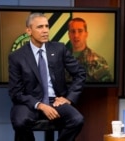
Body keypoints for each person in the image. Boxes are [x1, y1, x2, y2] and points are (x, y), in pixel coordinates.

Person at [8, 13, 86, 141]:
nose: (45, 30)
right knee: (20, 122)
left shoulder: (59, 49)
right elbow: (15, 92)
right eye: (39, 27)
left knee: (77, 120)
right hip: (29, 102)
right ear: (29, 31)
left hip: (55, 100)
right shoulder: (17, 57)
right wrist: (40, 105)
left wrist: (69, 98)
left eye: (47, 26)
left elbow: (80, 73)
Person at [67, 17, 113, 82]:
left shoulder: (97, 62)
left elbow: (105, 88)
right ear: (69, 35)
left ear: (86, 34)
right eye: (73, 31)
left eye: (80, 31)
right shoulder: (62, 59)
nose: (76, 35)